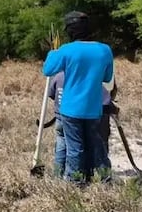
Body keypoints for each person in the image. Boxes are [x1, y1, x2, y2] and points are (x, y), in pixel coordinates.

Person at [42, 11, 114, 185]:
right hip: (94, 108)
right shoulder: (105, 50)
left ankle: (76, 183)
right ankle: (106, 179)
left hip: (70, 109)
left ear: (70, 31)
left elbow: (47, 70)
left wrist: (53, 52)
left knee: (75, 148)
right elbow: (106, 77)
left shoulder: (66, 51)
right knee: (97, 146)